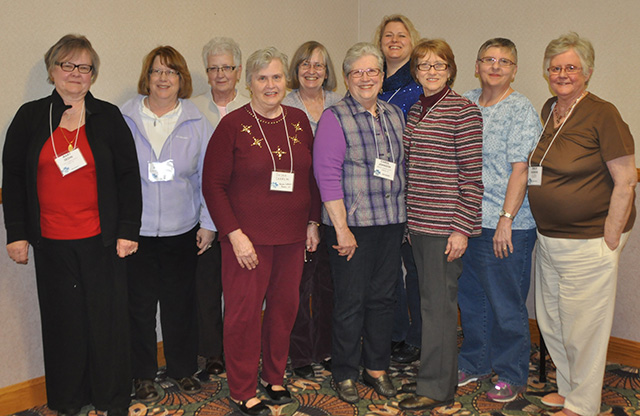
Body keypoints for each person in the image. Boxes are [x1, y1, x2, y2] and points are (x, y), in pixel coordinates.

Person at [2, 34, 141, 416]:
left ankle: (111, 399)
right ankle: (67, 399)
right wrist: (17, 234)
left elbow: (129, 175)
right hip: (52, 244)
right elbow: (12, 177)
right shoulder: (30, 117)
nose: (76, 74)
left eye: (84, 67)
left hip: (103, 241)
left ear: (93, 74)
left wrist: (128, 229)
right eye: (68, 65)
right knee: (64, 325)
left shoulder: (109, 116)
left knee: (106, 324)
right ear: (52, 70)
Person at [202, 47, 321, 416]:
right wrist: (233, 234)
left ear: (286, 81)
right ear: (249, 83)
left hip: (291, 236)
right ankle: (241, 388)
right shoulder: (232, 125)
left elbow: (311, 178)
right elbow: (213, 185)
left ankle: (274, 377)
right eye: (262, 78)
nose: (270, 85)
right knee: (243, 314)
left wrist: (313, 221)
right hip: (246, 241)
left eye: (276, 77)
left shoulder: (299, 120)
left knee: (285, 310)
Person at [528, 32, 636, 416]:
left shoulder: (602, 113)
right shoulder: (549, 111)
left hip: (590, 239)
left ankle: (585, 403)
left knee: (584, 326)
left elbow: (625, 179)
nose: (562, 74)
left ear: (587, 72)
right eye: (555, 67)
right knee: (553, 319)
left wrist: (610, 234)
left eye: (571, 67)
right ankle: (569, 387)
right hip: (551, 237)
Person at [121, 46, 215, 401]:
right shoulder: (124, 118)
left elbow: (208, 178)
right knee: (140, 306)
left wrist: (208, 224)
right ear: (147, 78)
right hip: (137, 232)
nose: (163, 79)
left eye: (171, 72)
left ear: (182, 80)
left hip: (182, 230)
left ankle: (182, 368)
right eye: (157, 71)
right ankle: (142, 374)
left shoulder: (196, 121)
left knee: (180, 304)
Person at [313, 42, 406, 404]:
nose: (366, 78)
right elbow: (327, 176)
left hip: (391, 221)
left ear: (382, 77)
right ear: (348, 78)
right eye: (357, 72)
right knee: (350, 301)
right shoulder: (335, 118)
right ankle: (345, 371)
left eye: (373, 72)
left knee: (383, 298)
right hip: (351, 226)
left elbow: (404, 168)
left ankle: (377, 368)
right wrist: (341, 229)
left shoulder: (394, 114)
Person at [398, 38, 483, 412]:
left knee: (439, 309)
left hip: (443, 227)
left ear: (450, 69)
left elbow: (472, 178)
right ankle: (435, 379)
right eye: (424, 66)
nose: (431, 72)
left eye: (439, 65)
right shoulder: (416, 110)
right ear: (415, 72)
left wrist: (462, 228)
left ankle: (436, 389)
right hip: (416, 223)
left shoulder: (463, 112)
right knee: (430, 304)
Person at [457, 38, 541, 402]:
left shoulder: (521, 109)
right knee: (472, 298)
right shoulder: (466, 101)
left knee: (506, 303)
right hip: (468, 221)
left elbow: (520, 170)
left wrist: (506, 219)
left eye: (504, 61)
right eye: (489, 59)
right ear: (476, 65)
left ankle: (510, 373)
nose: (495, 66)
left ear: (514, 69)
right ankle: (475, 361)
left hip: (507, 225)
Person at [282, 40, 342, 379]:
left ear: (327, 71)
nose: (312, 70)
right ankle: (301, 353)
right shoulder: (286, 104)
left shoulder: (338, 103)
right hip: (297, 205)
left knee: (327, 284)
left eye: (318, 65)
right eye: (305, 64)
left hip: (334, 206)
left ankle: (326, 348)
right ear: (296, 69)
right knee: (297, 286)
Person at [191, 36, 250, 376]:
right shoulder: (192, 108)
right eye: (213, 68)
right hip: (203, 214)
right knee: (208, 287)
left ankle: (240, 348)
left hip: (245, 214)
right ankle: (213, 352)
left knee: (242, 290)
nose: (220, 74)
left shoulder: (253, 106)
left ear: (239, 70)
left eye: (226, 67)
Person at [373, 13, 422, 364]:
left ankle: (418, 338)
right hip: (377, 193)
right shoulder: (369, 81)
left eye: (401, 35)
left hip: (415, 191)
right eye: (388, 35)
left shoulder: (420, 85)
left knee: (416, 269)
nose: (394, 40)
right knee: (387, 270)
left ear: (411, 41)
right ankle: (394, 334)